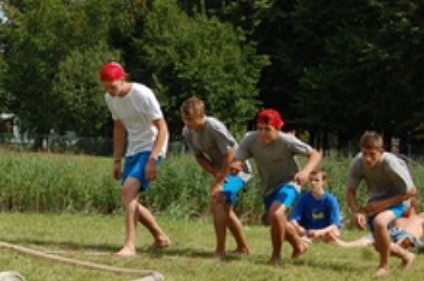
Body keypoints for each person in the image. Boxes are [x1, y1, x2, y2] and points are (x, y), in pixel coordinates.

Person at [100, 62, 171, 256]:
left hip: (152, 146)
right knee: (128, 199)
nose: (109, 91)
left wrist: (153, 159)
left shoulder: (142, 94)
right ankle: (160, 237)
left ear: (123, 79)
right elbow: (119, 128)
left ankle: (130, 246)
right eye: (105, 87)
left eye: (112, 86)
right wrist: (116, 160)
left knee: (127, 191)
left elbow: (162, 127)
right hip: (134, 148)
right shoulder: (110, 98)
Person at [235, 108, 322, 264]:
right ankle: (299, 245)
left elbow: (315, 154)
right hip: (268, 186)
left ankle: (276, 256)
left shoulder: (286, 141)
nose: (262, 133)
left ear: (278, 129)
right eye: (259, 128)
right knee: (278, 219)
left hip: (290, 182)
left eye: (267, 129)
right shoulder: (250, 139)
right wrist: (236, 164)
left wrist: (305, 172)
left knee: (276, 214)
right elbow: (239, 158)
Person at [180, 97, 252, 258]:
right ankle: (243, 247)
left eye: (190, 119)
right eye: (184, 119)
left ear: (201, 115)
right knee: (224, 209)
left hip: (237, 169)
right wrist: (215, 173)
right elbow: (199, 157)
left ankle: (220, 250)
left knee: (216, 200)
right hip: (221, 170)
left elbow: (230, 153)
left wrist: (219, 181)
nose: (187, 123)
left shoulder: (213, 126)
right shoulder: (187, 131)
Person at [345, 131, 417, 275]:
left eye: (372, 154)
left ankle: (384, 267)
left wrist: (383, 204)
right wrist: (357, 212)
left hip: (400, 199)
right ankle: (407, 256)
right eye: (364, 153)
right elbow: (350, 192)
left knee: (380, 222)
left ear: (381, 151)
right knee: (380, 245)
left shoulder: (392, 164)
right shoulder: (358, 163)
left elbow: (412, 191)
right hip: (376, 201)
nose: (367, 159)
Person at [289, 168, 343, 243]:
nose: (313, 183)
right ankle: (309, 239)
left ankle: (310, 240)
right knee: (290, 227)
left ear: (324, 182)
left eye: (316, 180)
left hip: (324, 230)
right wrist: (298, 227)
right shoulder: (303, 198)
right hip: (307, 230)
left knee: (335, 233)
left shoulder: (331, 199)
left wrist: (319, 232)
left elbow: (335, 224)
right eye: (311, 180)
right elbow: (294, 219)